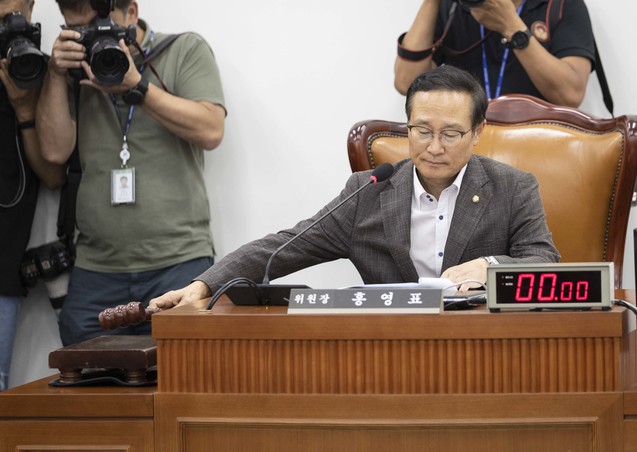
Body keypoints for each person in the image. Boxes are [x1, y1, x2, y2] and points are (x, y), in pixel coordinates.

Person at [150, 65, 559, 311]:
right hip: (386, 353)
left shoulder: (513, 187)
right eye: (422, 131)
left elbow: (544, 261)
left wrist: (490, 266)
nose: (434, 147)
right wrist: (204, 284)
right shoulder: (370, 192)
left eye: (451, 134)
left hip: (483, 347)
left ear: (477, 132)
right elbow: (282, 247)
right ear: (407, 128)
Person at [35, 0, 227, 345]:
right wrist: (55, 73)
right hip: (96, 268)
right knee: (86, 375)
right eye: (77, 30)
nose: (90, 37)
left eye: (98, 24)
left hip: (179, 261)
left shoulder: (183, 49)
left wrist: (137, 87)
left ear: (132, 13)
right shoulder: (76, 70)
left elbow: (211, 129)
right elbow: (53, 151)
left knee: (185, 374)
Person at [0, 0, 66, 391]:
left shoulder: (34, 69)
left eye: (12, 15)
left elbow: (54, 175)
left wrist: (25, 107)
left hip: (3, 274)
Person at [394, 0, 595, 107]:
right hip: (467, 142)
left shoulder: (561, 5)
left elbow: (571, 95)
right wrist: (432, 2)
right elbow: (406, 82)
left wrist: (512, 27)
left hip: (536, 143)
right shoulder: (453, 6)